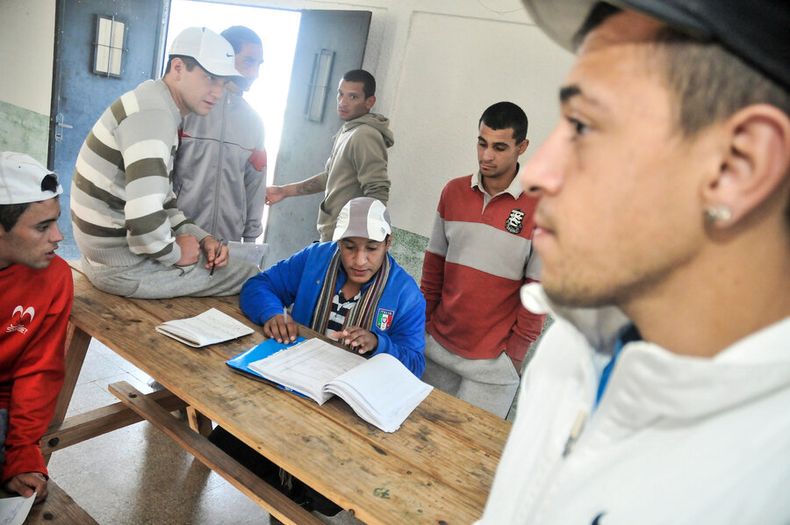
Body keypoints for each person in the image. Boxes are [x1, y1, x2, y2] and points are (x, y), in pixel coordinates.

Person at [478, 1, 790, 523]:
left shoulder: (769, 482)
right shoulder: (567, 355)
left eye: (582, 126)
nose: (536, 174)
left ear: (738, 166)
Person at [214, 197, 423, 522]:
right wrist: (272, 313)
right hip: (290, 388)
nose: (359, 260)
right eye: (349, 247)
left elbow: (414, 365)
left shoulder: (405, 293)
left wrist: (379, 343)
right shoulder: (316, 259)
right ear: (338, 242)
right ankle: (285, 490)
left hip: (344, 413)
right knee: (223, 446)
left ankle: (293, 495)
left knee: (321, 490)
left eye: (371, 248)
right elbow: (260, 285)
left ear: (388, 243)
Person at [70, 27, 259, 298]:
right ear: (178, 67)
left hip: (101, 256)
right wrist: (176, 253)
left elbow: (163, 201)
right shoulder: (154, 117)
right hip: (120, 267)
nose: (218, 92)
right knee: (250, 275)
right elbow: (144, 220)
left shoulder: (152, 100)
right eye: (209, 78)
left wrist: (203, 237)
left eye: (223, 82)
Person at [420, 102, 544, 418]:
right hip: (436, 349)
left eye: (499, 147)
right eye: (482, 143)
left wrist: (514, 356)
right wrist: (424, 327)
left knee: (470, 450)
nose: (486, 155)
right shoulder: (453, 192)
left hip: (493, 366)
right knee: (417, 440)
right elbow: (433, 271)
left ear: (522, 147)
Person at [0, 152, 73, 504]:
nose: (58, 236)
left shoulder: (55, 276)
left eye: (55, 221)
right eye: (42, 227)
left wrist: (22, 452)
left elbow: (38, 372)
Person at [265, 70, 394, 241]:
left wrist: (365, 242)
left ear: (369, 102)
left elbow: (377, 190)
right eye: (340, 94)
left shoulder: (364, 135)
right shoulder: (349, 130)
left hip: (348, 240)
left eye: (353, 97)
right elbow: (329, 177)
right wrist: (284, 191)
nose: (342, 102)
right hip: (333, 235)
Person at [173, 25, 267, 243]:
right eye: (249, 62)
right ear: (226, 57)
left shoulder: (254, 122)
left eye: (259, 64)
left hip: (226, 245)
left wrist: (250, 240)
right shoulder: (187, 110)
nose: (255, 73)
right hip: (180, 239)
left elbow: (255, 184)